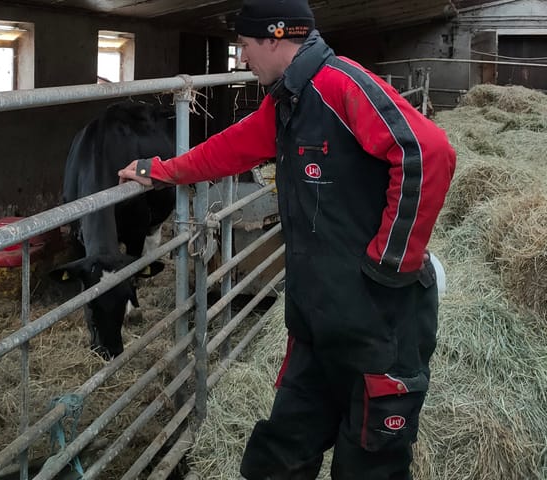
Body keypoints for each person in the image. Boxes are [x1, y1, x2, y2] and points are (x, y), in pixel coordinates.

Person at [118, 0, 457, 478]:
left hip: (380, 326)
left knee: (368, 465)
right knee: (276, 458)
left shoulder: (340, 85)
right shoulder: (285, 103)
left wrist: (392, 261)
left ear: (275, 39)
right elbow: (230, 149)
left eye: (246, 45)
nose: (243, 57)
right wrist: (161, 171)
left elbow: (428, 152)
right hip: (318, 325)